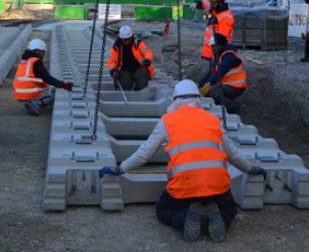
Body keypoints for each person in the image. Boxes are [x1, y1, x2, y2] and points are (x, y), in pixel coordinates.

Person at [98, 80, 266, 242]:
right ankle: (218, 215)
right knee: (229, 209)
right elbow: (234, 155)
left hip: (184, 186)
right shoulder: (213, 120)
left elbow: (144, 154)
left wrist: (120, 169)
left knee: (163, 210)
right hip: (217, 186)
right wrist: (251, 169)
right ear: (198, 100)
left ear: (175, 100)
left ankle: (185, 218)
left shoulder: (167, 121)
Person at [12, 38, 73, 116]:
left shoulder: (25, 61)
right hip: (28, 92)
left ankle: (34, 101)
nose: (43, 54)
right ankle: (37, 103)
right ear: (38, 51)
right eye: (43, 52)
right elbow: (47, 78)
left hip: (18, 93)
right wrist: (63, 85)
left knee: (46, 86)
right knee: (53, 93)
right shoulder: (36, 62)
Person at [198, 33, 247, 113]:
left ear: (220, 45)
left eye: (214, 46)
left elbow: (220, 71)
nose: (212, 48)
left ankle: (233, 107)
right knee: (210, 90)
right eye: (211, 46)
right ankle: (225, 102)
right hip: (227, 85)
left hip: (235, 87)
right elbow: (211, 71)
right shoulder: (220, 55)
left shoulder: (229, 56)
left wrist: (209, 84)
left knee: (213, 92)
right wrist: (200, 84)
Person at [107, 25, 155, 91]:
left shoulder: (138, 43)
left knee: (142, 79)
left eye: (128, 39)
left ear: (131, 37)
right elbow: (111, 61)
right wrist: (113, 70)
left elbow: (147, 52)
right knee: (125, 85)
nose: (126, 41)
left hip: (139, 68)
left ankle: (138, 92)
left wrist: (148, 59)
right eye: (124, 40)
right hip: (124, 70)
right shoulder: (116, 47)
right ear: (121, 39)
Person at [200, 0, 235, 65]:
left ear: (220, 3)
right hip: (211, 52)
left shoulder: (225, 17)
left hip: (218, 52)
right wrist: (198, 4)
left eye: (214, 3)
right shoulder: (217, 11)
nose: (212, 5)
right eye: (212, 3)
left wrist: (216, 55)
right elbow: (206, 4)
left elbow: (221, 38)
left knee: (216, 73)